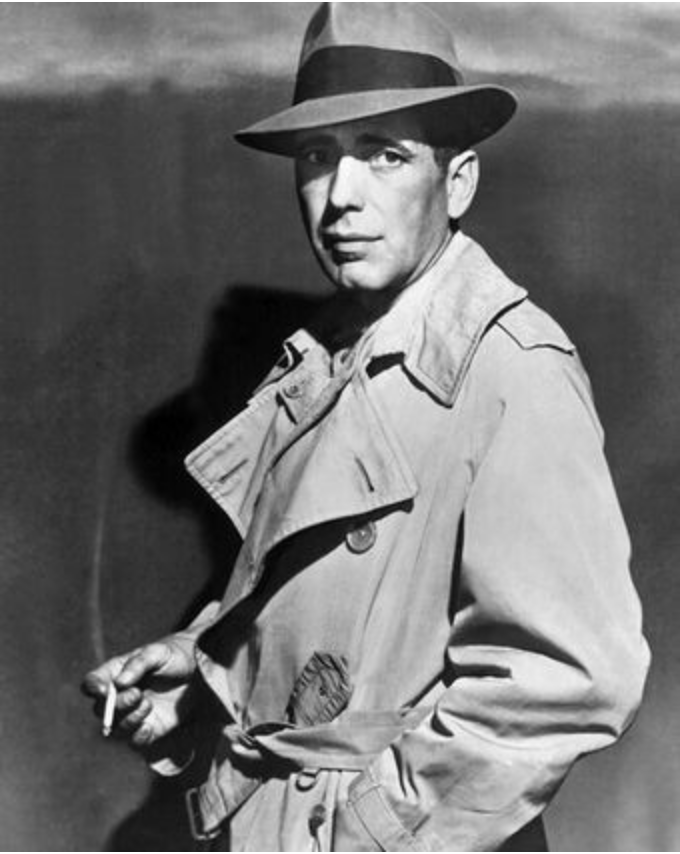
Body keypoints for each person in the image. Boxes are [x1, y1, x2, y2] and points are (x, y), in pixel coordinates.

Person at [83, 4, 650, 851]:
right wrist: (205, 672)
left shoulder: (513, 370)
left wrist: (367, 831)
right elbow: (330, 611)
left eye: (385, 154)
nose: (341, 197)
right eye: (319, 156)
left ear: (458, 181)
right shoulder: (331, 354)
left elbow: (565, 680)